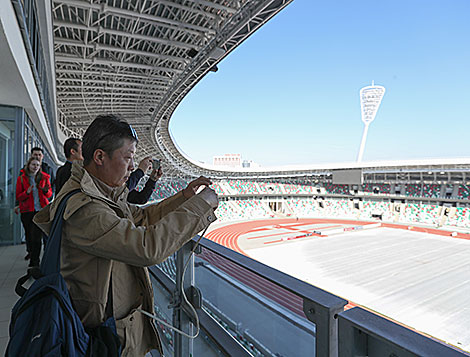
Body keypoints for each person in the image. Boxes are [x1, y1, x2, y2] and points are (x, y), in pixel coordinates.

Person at [34, 114, 219, 356]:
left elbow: (140, 217)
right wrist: (200, 206)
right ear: (100, 157)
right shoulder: (86, 209)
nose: (133, 167)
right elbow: (146, 248)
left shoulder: (101, 194)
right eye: (128, 158)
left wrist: (183, 198)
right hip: (99, 340)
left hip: (109, 332)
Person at [16, 157, 52, 266]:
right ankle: (32, 255)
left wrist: (45, 190)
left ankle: (35, 262)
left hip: (40, 211)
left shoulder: (44, 178)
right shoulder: (22, 179)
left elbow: (49, 195)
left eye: (37, 165)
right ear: (28, 165)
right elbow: (19, 196)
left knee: (36, 237)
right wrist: (27, 193)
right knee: (29, 236)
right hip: (27, 211)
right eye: (33, 164)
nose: (35, 167)